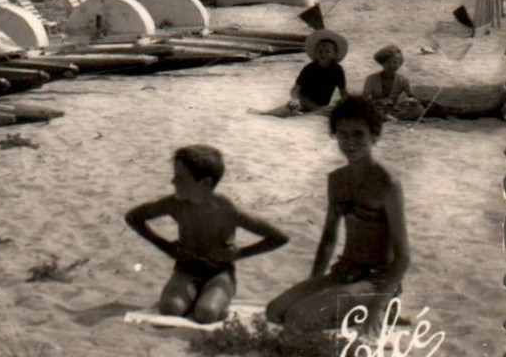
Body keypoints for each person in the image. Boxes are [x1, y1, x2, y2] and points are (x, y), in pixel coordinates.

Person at [267, 97, 409, 330]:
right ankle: (350, 308)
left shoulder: (387, 184)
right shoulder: (337, 180)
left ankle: (383, 310)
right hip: (343, 273)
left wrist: (377, 304)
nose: (350, 142)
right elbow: (329, 239)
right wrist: (312, 282)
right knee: (274, 312)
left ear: (375, 135)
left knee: (298, 318)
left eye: (358, 135)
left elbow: (403, 257)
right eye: (343, 135)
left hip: (376, 281)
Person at [125, 145, 289, 324]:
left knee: (206, 313)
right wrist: (165, 246)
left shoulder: (225, 210)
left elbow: (279, 237)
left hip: (219, 272)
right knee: (170, 310)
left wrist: (240, 253)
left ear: (205, 184)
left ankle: (211, 295)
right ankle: (196, 294)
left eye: (181, 177)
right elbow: (134, 217)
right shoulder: (175, 205)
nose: (173, 181)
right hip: (186, 269)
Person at [288, 30, 348, 114]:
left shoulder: (337, 70)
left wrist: (346, 105)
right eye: (320, 51)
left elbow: (343, 91)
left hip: (320, 105)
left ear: (334, 54)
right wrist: (294, 99)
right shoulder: (309, 68)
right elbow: (296, 88)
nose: (323, 54)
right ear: (315, 53)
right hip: (304, 100)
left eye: (327, 51)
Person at [362, 45, 422, 122]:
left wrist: (410, 101)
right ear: (382, 63)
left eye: (395, 62)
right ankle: (387, 118)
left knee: (418, 109)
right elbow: (364, 99)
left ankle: (389, 118)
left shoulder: (403, 80)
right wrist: (378, 101)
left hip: (393, 109)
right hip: (376, 107)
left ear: (400, 63)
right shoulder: (371, 79)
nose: (392, 66)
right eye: (388, 62)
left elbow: (412, 96)